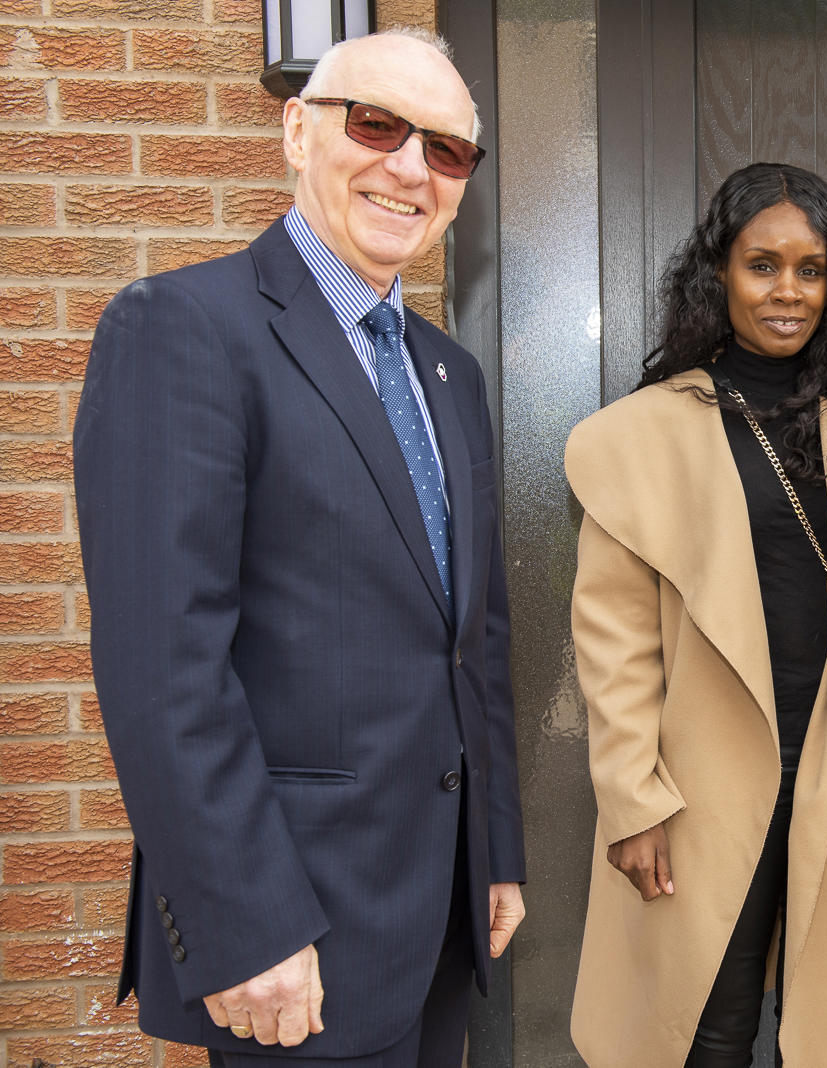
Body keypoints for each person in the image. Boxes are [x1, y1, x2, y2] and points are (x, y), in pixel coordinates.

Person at [73, 28, 525, 1067]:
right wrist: (247, 924)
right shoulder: (183, 328)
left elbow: (477, 640)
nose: (411, 168)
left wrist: (493, 852)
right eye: (377, 125)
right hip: (296, 934)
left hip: (441, 919)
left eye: (448, 150)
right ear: (296, 130)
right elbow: (162, 671)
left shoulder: (450, 373)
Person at [565, 162, 827, 1067]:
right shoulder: (645, 433)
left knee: (813, 1032)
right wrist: (632, 803)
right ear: (719, 276)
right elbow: (614, 646)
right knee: (706, 1027)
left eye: (811, 270)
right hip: (700, 782)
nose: (789, 292)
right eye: (763, 265)